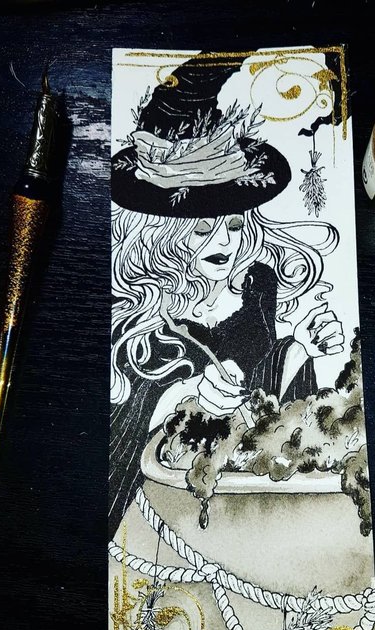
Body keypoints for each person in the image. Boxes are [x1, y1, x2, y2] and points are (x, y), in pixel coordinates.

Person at [109, 58, 344, 536]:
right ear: (161, 234)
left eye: (235, 225)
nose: (223, 243)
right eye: (200, 230)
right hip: (159, 507)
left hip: (242, 500)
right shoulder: (142, 309)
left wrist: (301, 349)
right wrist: (189, 396)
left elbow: (269, 400)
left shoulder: (257, 284)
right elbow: (120, 425)